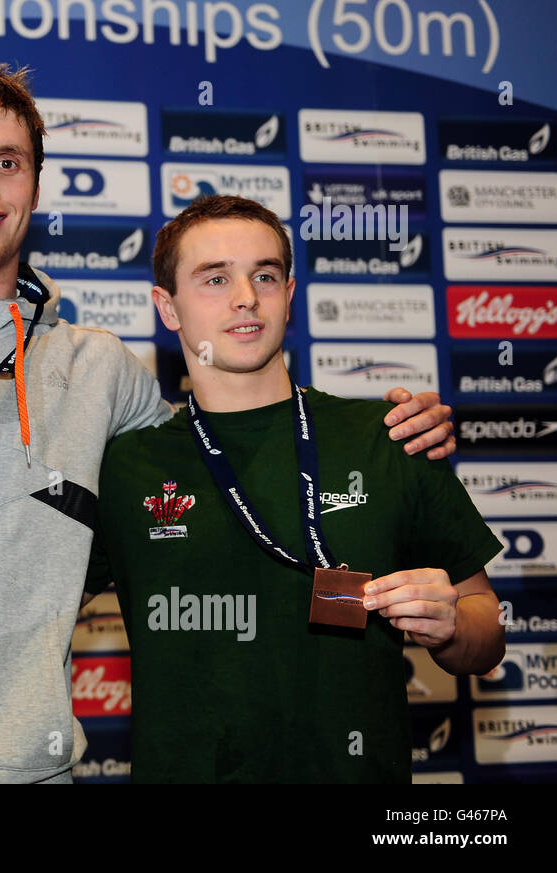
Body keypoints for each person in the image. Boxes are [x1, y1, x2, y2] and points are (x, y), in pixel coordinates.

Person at [0, 56, 454, 783]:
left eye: (8, 162)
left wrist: (379, 431)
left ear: (36, 186)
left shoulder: (99, 369)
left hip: (29, 770)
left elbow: (221, 456)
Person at [87, 194, 503, 783]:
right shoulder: (126, 466)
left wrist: (454, 625)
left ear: (289, 294)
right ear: (168, 307)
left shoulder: (387, 437)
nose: (245, 297)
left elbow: (486, 632)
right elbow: (26, 610)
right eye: (214, 278)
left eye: (265, 275)